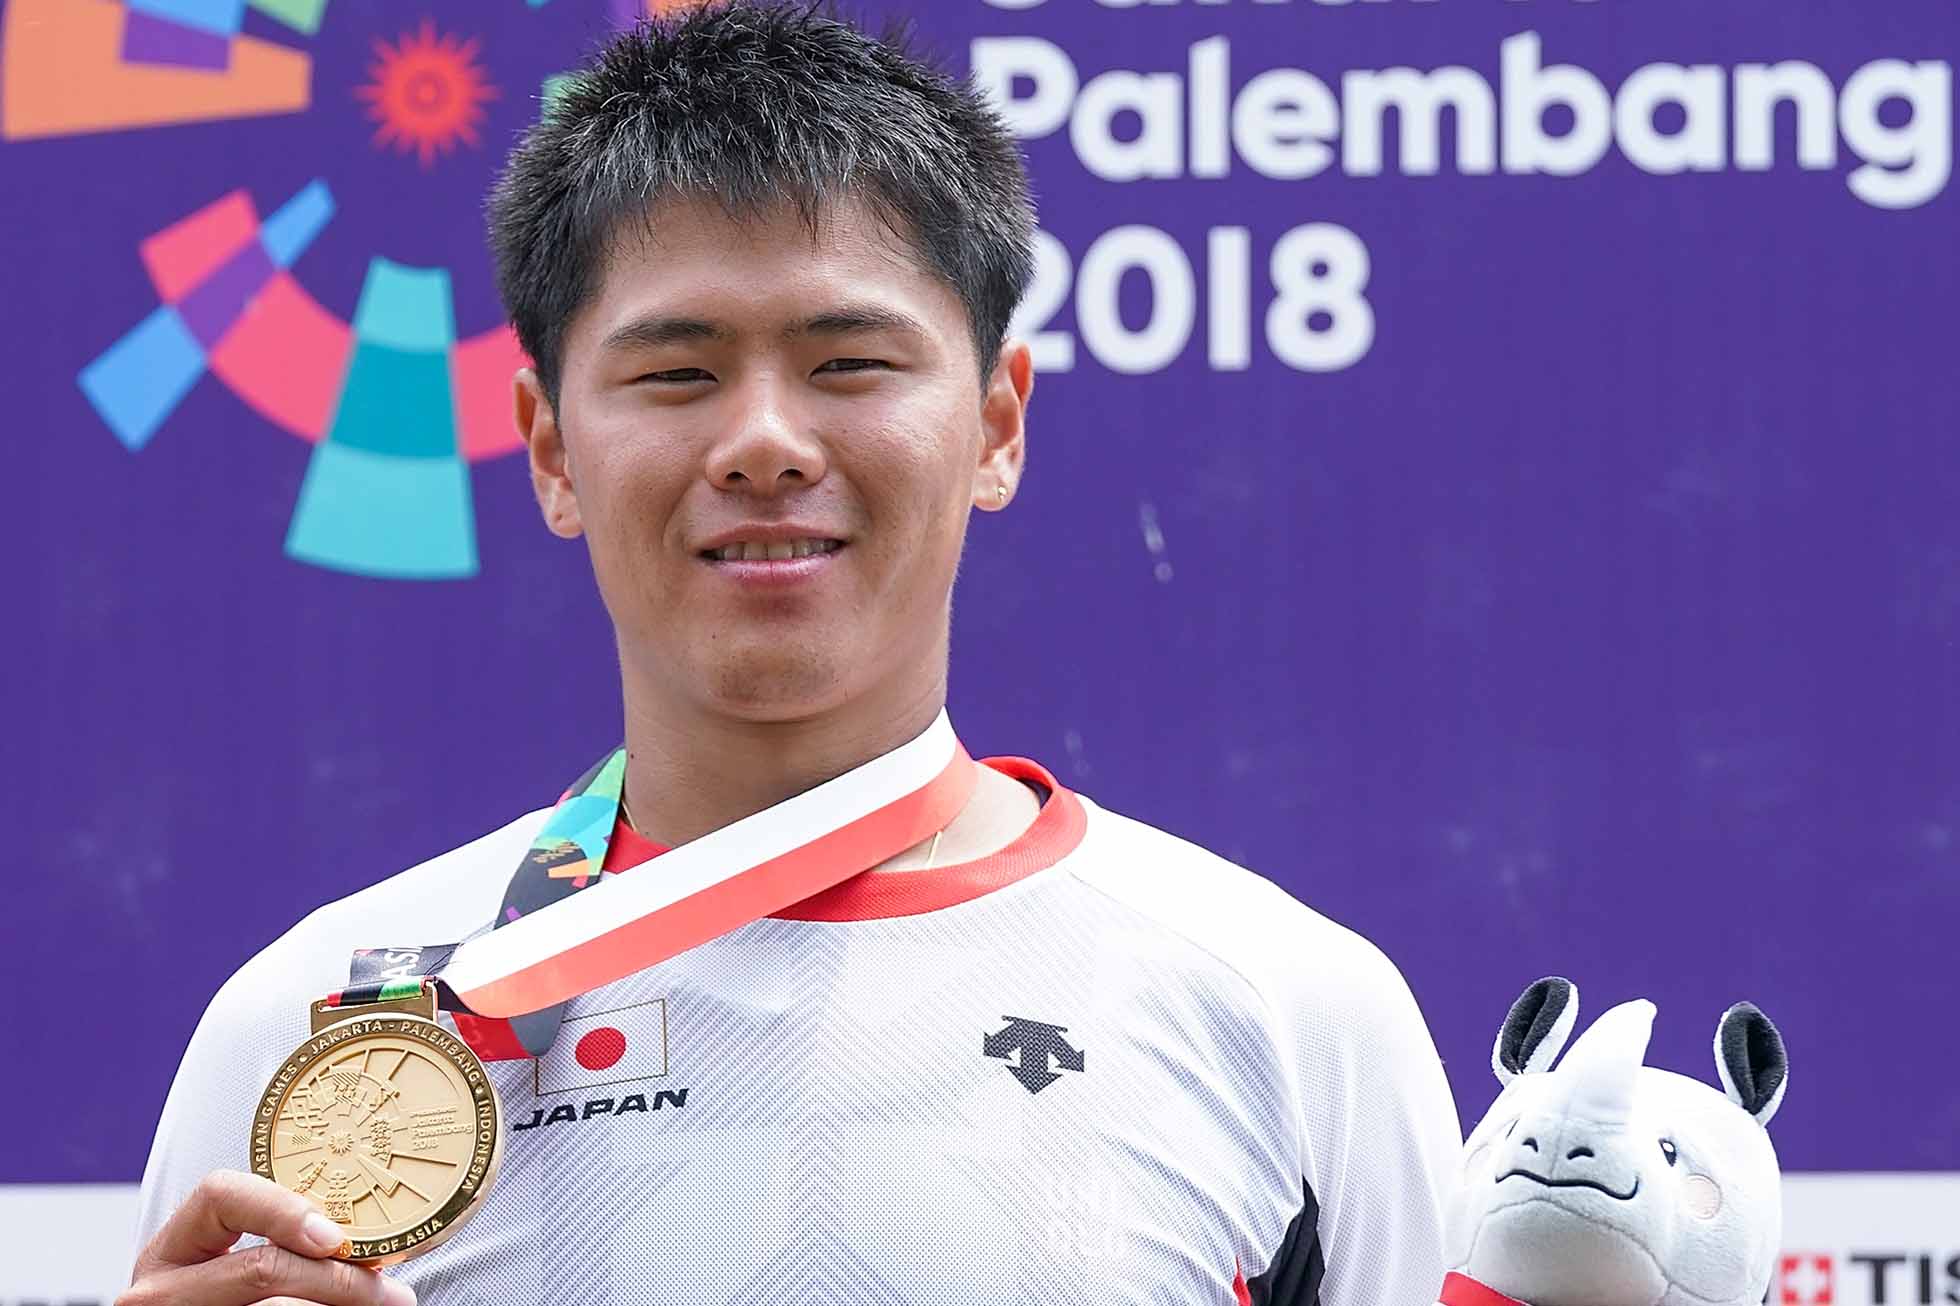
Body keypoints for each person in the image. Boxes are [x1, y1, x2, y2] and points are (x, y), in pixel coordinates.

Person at [123, 5, 1460, 1304]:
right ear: (548, 448)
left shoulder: (1289, 1013)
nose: (764, 441)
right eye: (677, 374)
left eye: (852, 362)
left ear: (998, 423)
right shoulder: (311, 1030)